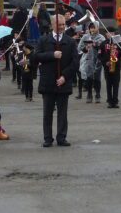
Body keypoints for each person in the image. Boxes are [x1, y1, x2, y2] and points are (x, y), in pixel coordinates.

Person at [32, 13, 78, 147]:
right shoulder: (43, 40)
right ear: (53, 25)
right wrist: (52, 55)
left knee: (62, 113)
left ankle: (62, 137)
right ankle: (47, 138)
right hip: (48, 82)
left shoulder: (70, 41)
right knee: (47, 112)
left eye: (64, 24)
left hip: (63, 82)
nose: (62, 27)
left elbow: (75, 62)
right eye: (59, 24)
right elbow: (36, 57)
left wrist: (64, 76)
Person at [77, 23, 103, 102]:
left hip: (98, 60)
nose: (92, 29)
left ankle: (98, 94)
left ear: (98, 28)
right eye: (91, 28)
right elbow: (79, 48)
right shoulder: (85, 36)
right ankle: (89, 94)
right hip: (88, 59)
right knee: (89, 77)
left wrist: (95, 45)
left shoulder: (101, 37)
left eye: (94, 27)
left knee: (97, 78)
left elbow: (104, 48)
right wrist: (85, 48)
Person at [99, 31, 121, 108]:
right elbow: (99, 55)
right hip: (107, 67)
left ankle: (115, 101)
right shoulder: (103, 44)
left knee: (116, 84)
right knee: (108, 84)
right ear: (106, 34)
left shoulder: (119, 43)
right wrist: (105, 62)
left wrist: (117, 52)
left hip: (117, 67)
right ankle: (109, 100)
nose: (111, 35)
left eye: (112, 33)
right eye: (109, 33)